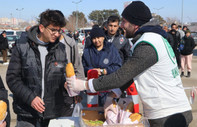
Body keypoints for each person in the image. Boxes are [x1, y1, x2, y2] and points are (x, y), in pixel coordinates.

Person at [66, 1, 193, 127]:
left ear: (135, 24)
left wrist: (83, 84)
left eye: (124, 22)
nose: (121, 25)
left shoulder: (148, 43)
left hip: (168, 115)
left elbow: (121, 76)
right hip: (168, 112)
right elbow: (132, 74)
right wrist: (113, 94)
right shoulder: (153, 39)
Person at [6, 9, 72, 127]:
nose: (57, 34)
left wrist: (68, 85)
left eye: (59, 30)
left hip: (52, 113)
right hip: (27, 114)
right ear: (41, 28)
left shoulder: (60, 49)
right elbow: (12, 79)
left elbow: (62, 76)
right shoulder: (22, 47)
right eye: (53, 30)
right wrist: (30, 98)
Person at [82, 27, 122, 106]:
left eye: (98, 38)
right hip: (92, 89)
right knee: (93, 113)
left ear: (103, 37)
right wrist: (92, 71)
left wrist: (104, 71)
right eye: (94, 38)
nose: (96, 40)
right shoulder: (87, 51)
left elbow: (118, 66)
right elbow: (83, 67)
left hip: (109, 89)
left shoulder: (111, 49)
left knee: (109, 112)